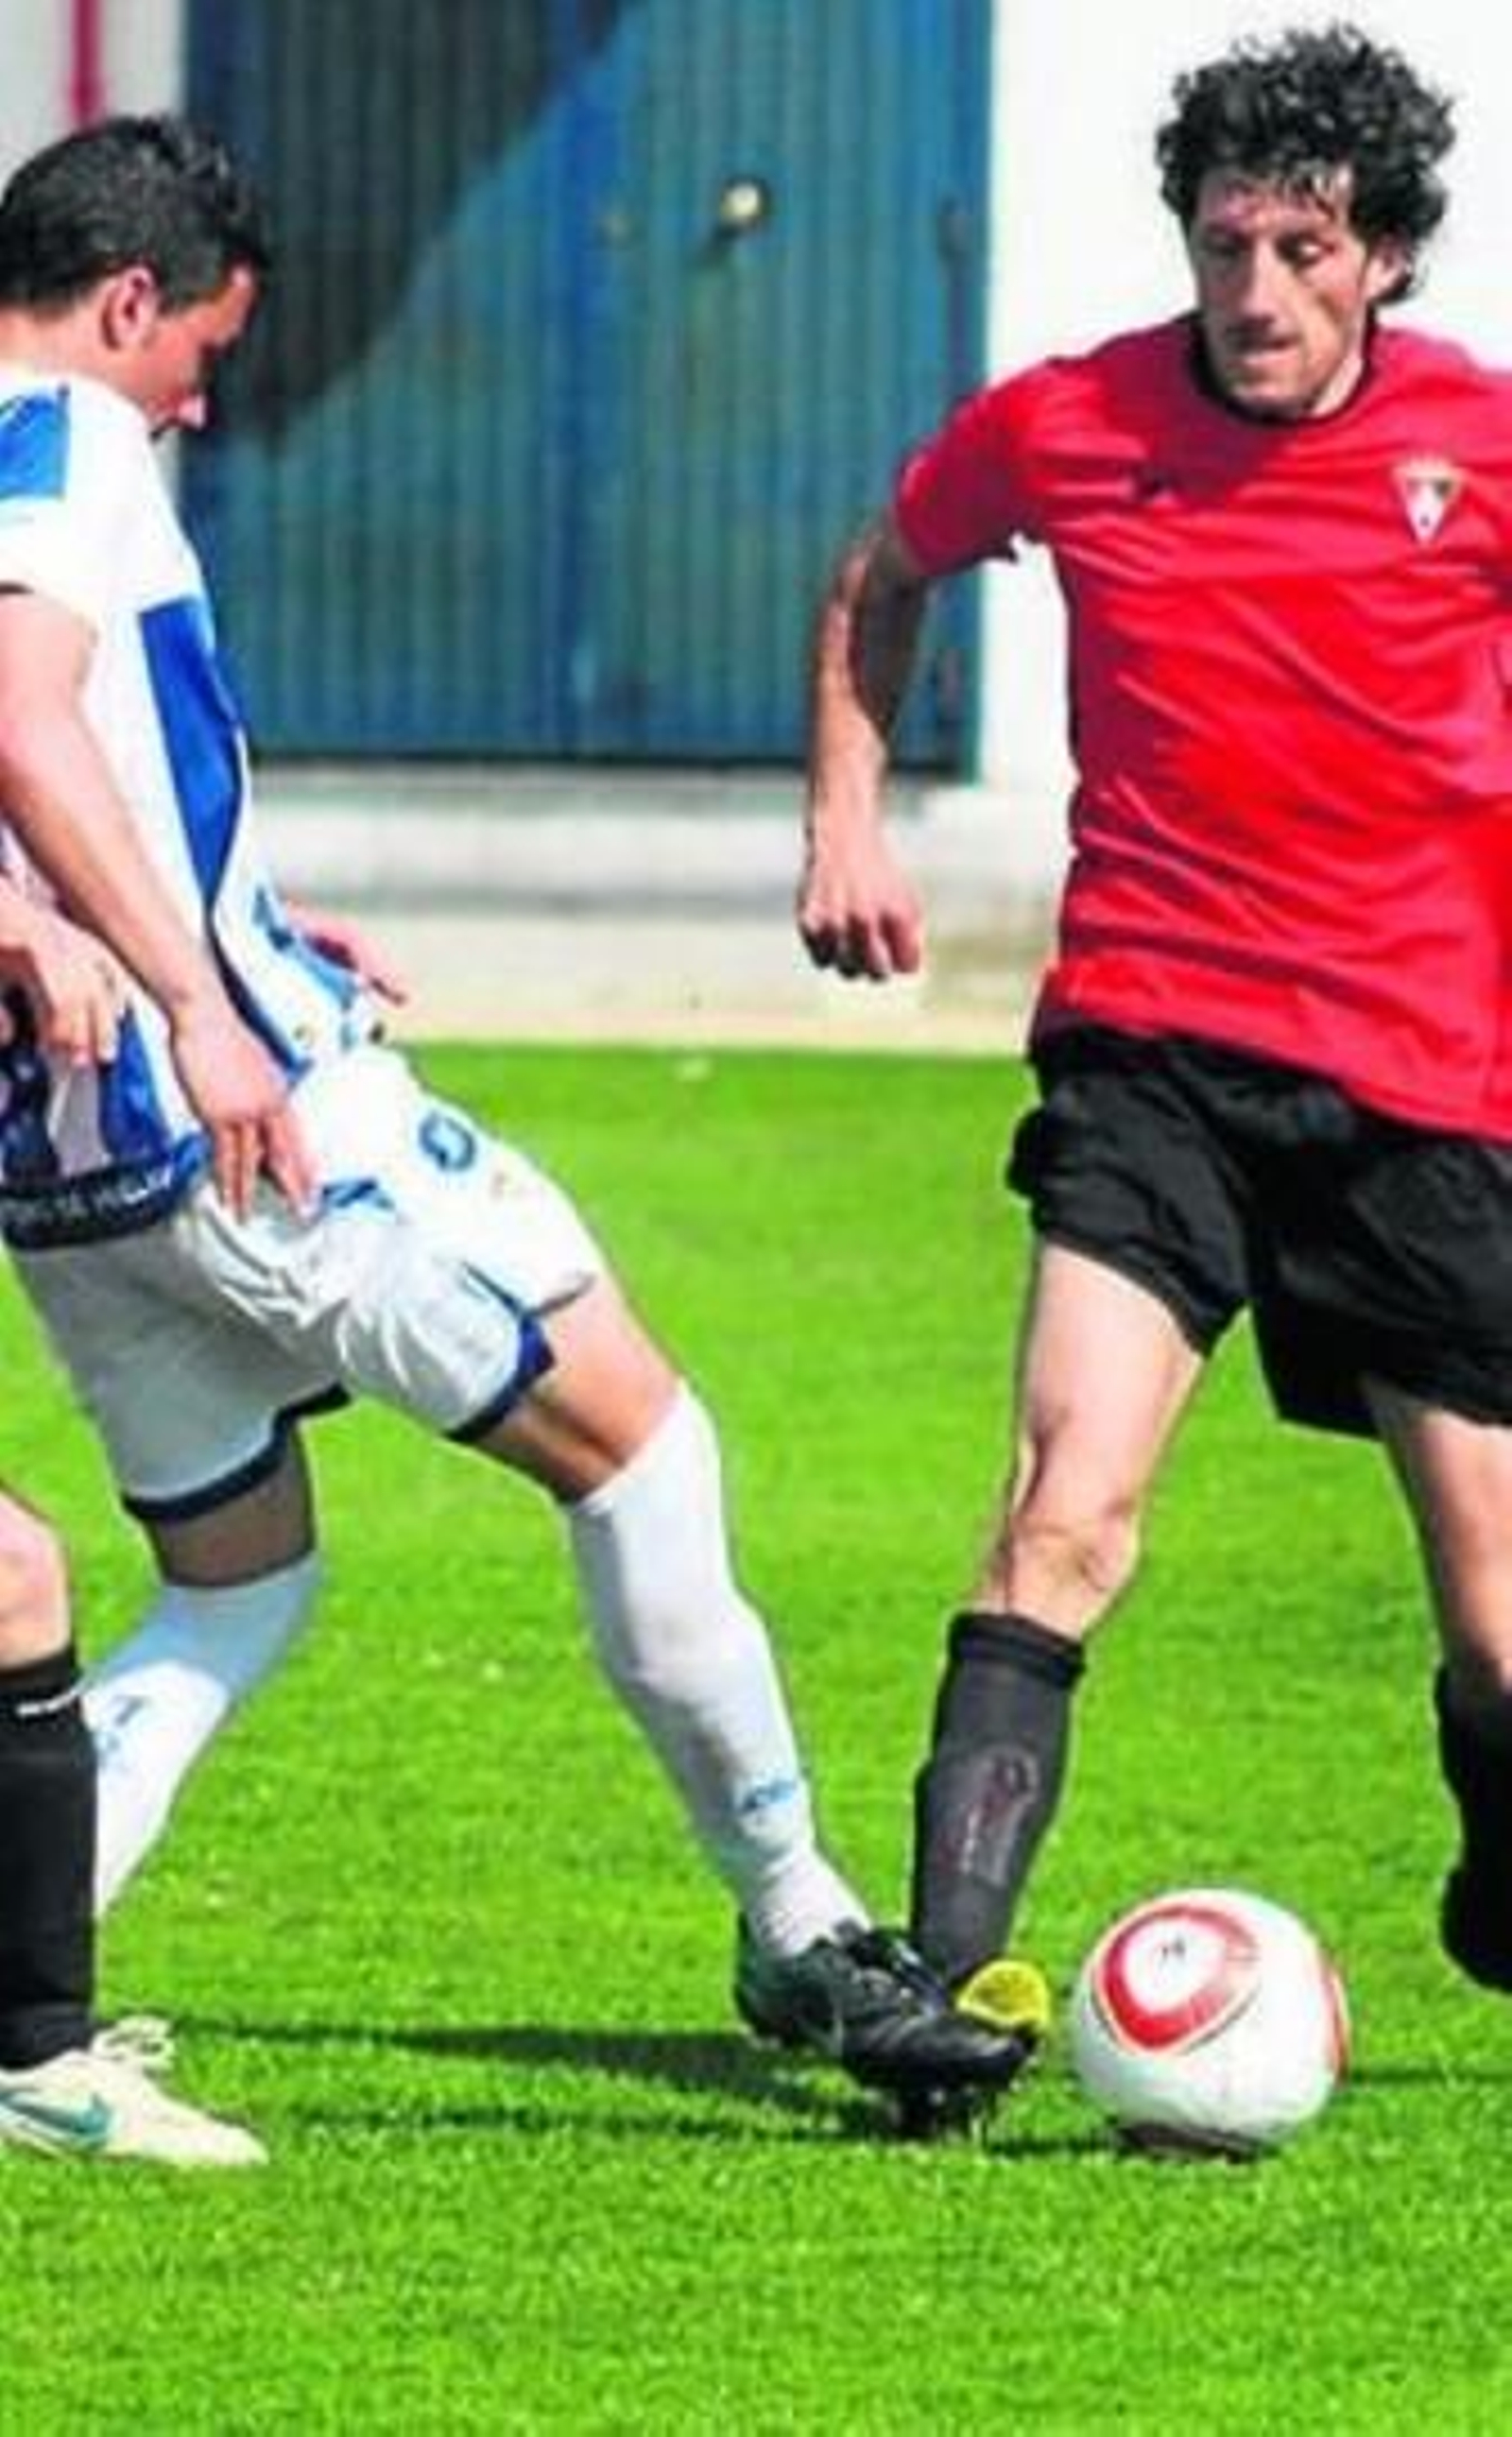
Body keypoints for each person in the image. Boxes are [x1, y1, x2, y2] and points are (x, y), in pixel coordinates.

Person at [0, 113, 1038, 2159]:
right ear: (129, 303)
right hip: (245, 1124)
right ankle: (803, 1925)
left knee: (235, 1583)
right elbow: (22, 715)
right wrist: (216, 1005)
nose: (206, 393)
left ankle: (25, 2001)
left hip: (60, 1162)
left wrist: (226, 926)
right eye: (205, 344)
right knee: (644, 1445)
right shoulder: (64, 437)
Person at [799, 23, 1512, 2034]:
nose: (1257, 292)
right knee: (1062, 1507)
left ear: (1378, 253)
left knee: (1494, 1625)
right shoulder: (1066, 425)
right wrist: (845, 814)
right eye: (1225, 247)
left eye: (1300, 249)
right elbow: (884, 569)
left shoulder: (1480, 443)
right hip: (1152, 1049)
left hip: (1425, 1084)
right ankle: (930, 1983)